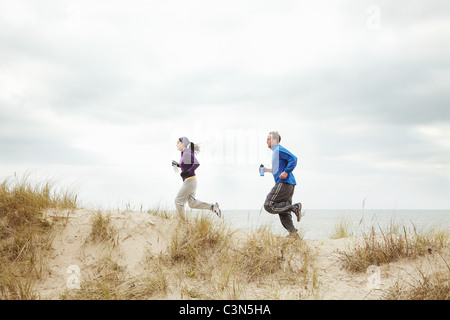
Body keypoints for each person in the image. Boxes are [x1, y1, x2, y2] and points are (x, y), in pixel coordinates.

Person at [262, 131, 302, 236]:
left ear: (275, 140)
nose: (267, 141)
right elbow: (277, 171)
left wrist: (286, 171)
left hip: (284, 183)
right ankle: (294, 235)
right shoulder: (276, 152)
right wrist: (266, 170)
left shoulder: (278, 149)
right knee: (284, 212)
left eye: (268, 139)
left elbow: (294, 159)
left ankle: (294, 207)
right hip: (289, 184)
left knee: (268, 205)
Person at [173, 136, 221, 220]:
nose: (176, 144)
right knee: (192, 204)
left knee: (178, 201)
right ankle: (213, 207)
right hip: (191, 181)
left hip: (190, 181)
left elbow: (196, 163)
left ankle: (183, 222)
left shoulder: (187, 152)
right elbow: (186, 165)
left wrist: (188, 172)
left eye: (178, 142)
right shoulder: (184, 153)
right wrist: (178, 165)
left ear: (183, 144)